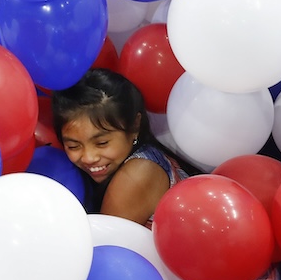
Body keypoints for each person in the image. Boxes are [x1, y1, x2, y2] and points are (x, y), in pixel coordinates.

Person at [52, 68, 193, 228]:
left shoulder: (138, 174)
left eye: (102, 143)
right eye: (73, 146)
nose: (88, 157)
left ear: (134, 125)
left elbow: (106, 247)